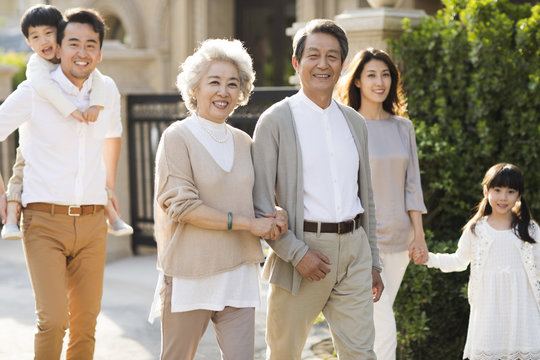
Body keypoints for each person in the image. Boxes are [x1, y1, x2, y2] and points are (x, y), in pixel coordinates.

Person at [252, 19, 384, 359]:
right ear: (296, 63)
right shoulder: (275, 121)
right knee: (284, 352)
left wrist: (374, 261)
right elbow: (261, 203)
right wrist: (297, 254)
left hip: (355, 254)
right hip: (303, 251)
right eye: (313, 55)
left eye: (332, 56)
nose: (323, 64)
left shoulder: (355, 122)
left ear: (342, 64)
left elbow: (364, 196)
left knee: (361, 353)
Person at [150, 38, 287, 360]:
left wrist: (276, 214)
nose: (223, 92)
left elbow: (258, 200)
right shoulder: (177, 137)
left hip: (239, 271)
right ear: (195, 88)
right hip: (190, 273)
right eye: (214, 82)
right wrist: (248, 224)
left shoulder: (244, 142)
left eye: (232, 84)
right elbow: (181, 205)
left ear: (241, 93)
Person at [0, 8, 123, 359]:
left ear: (99, 52)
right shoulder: (34, 91)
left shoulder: (107, 90)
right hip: (43, 223)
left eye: (90, 45)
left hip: (92, 223)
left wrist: (109, 186)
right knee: (53, 321)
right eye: (73, 43)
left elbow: (113, 136)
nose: (81, 52)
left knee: (86, 324)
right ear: (58, 45)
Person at [0, 4, 132, 241]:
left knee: (92, 170)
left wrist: (96, 106)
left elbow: (101, 82)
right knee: (18, 178)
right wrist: (70, 109)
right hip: (40, 194)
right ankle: (10, 220)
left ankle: (112, 216)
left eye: (49, 33)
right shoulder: (37, 71)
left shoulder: (95, 79)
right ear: (29, 43)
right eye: (35, 37)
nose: (44, 41)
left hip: (87, 214)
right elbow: (47, 90)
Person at [335, 48, 428, 360]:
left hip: (400, 241)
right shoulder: (344, 124)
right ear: (358, 81)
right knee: (383, 322)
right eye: (371, 75)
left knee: (376, 320)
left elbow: (412, 184)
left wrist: (420, 235)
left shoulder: (404, 127)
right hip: (361, 239)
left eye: (385, 74)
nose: (380, 81)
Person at [417, 163, 540, 359]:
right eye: (497, 190)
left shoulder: (530, 230)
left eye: (510, 191)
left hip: (522, 308)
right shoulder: (477, 230)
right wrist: (429, 258)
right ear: (486, 191)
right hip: (488, 309)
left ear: (519, 196)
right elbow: (459, 261)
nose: (503, 197)